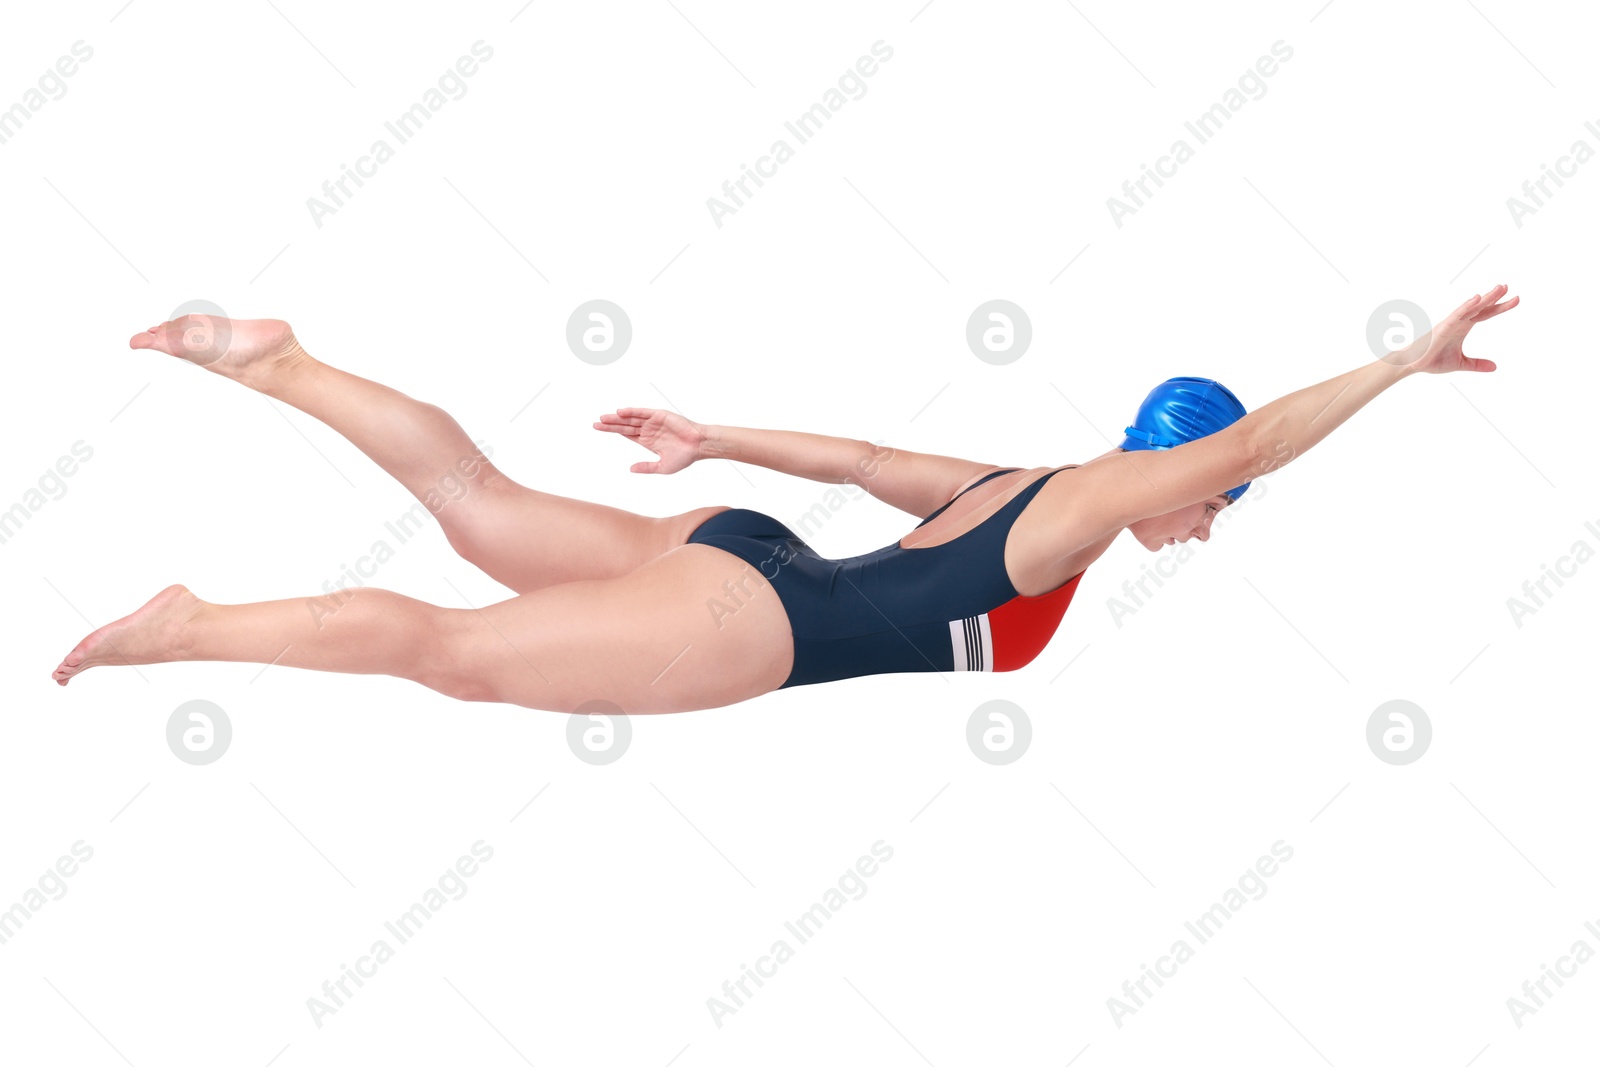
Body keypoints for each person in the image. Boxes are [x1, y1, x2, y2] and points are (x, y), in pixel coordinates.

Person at [53, 286, 1518, 712]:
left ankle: (284, 366)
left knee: (475, 493)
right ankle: (192, 626)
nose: (1203, 528)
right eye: (1208, 504)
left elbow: (873, 469)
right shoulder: (1094, 503)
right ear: (1171, 465)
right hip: (757, 619)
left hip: (744, 552)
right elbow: (1254, 442)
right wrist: (1405, 362)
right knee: (451, 652)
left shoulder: (1031, 486)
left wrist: (717, 444)